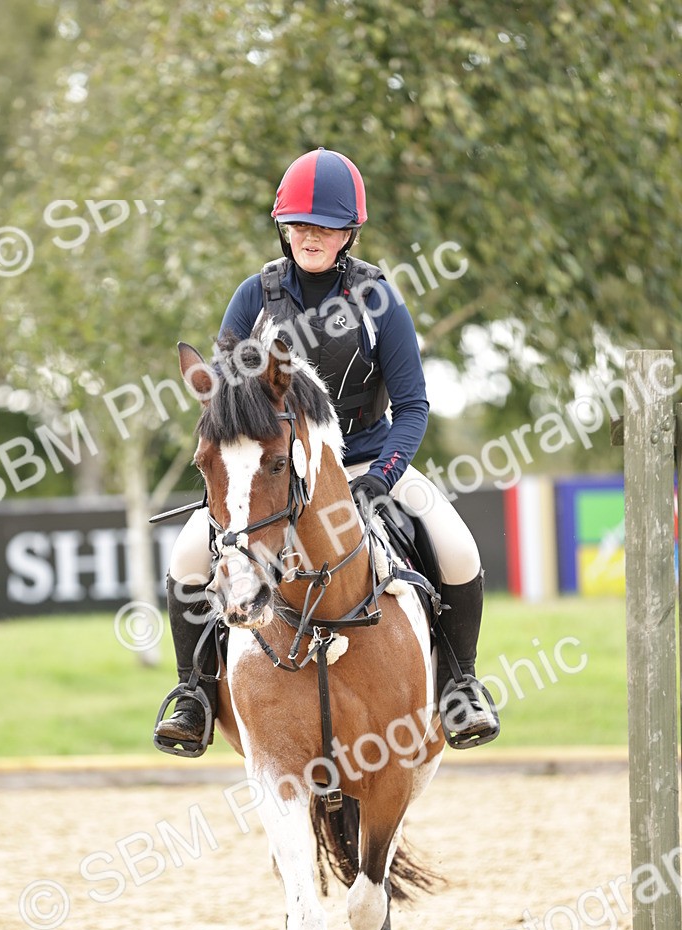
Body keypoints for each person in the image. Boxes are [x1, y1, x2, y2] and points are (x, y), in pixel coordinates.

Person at [154, 147, 500, 754]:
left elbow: (413, 406)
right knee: (187, 558)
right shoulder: (252, 297)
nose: (311, 236)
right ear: (284, 228)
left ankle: (460, 683)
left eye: (326, 225)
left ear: (350, 233)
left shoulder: (380, 302)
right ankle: (194, 693)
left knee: (458, 549)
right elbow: (228, 398)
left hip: (365, 461)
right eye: (299, 225)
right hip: (271, 467)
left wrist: (382, 478)